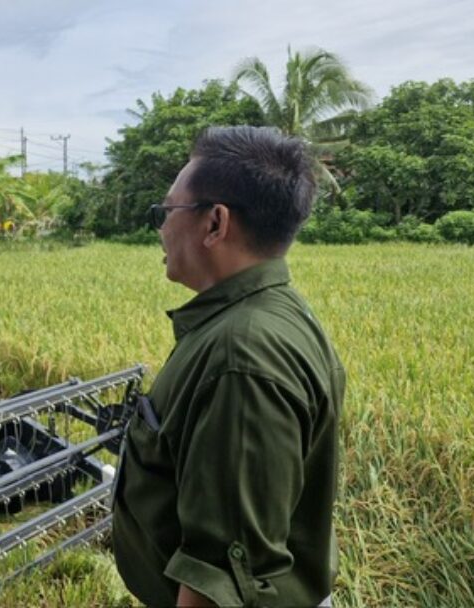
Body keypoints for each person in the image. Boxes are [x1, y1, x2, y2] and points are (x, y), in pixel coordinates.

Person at [112, 126, 345, 607]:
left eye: (167, 211)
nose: (160, 227)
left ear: (215, 223)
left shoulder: (241, 357)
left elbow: (221, 580)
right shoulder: (269, 315)